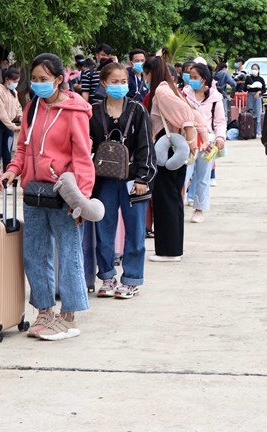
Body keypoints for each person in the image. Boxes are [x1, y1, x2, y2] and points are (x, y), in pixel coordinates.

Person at [0, 53, 94, 341]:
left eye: (44, 79)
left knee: (68, 255)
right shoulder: (31, 109)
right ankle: (44, 312)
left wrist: (82, 200)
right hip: (34, 192)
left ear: (59, 79)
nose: (39, 84)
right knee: (34, 255)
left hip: (64, 194)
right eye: (35, 79)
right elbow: (22, 148)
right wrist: (13, 170)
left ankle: (69, 317)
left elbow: (82, 158)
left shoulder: (75, 112)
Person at [88, 62, 157, 299]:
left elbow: (146, 147)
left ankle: (131, 279)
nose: (120, 86)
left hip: (133, 182)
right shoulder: (94, 111)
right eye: (115, 81)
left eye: (123, 81)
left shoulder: (138, 110)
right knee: (103, 230)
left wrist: (143, 178)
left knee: (135, 231)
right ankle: (107, 276)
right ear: (104, 83)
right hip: (104, 181)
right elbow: (88, 145)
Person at [143, 56, 209, 262]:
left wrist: (192, 139)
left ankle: (168, 251)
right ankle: (172, 249)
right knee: (172, 198)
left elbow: (185, 115)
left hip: (168, 147)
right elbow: (194, 114)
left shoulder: (162, 91)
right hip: (174, 147)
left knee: (166, 200)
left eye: (145, 73)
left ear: (150, 73)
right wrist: (202, 137)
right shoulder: (172, 89)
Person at [182, 62, 227, 223]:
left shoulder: (216, 98)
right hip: (187, 140)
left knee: (203, 177)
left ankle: (199, 210)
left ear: (204, 80)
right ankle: (177, 208)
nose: (191, 80)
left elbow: (220, 122)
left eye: (195, 77)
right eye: (190, 77)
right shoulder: (184, 95)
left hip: (207, 142)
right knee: (183, 176)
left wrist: (220, 137)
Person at [0, 67, 22, 183]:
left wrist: (21, 117)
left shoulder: (14, 92)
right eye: (14, 81)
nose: (15, 84)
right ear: (7, 79)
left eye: (17, 81)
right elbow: (1, 113)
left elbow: (18, 106)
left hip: (9, 125)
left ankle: (7, 181)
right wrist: (14, 127)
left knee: (7, 154)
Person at [245, 63, 266, 136]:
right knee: (250, 113)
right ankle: (250, 131)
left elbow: (264, 90)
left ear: (258, 70)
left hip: (258, 96)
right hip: (250, 95)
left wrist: (259, 92)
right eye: (253, 69)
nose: (254, 70)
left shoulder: (261, 79)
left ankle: (258, 132)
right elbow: (244, 88)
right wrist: (247, 87)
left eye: (255, 69)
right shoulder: (248, 78)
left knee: (258, 114)